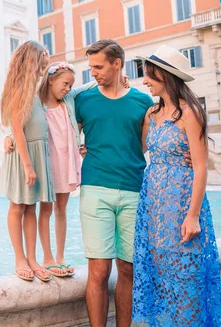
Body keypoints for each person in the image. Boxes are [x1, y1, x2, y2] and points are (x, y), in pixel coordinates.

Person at [133, 45, 221, 326]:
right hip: (154, 205)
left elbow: (200, 166)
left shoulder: (191, 113)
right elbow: (141, 150)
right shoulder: (151, 114)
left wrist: (193, 215)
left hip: (183, 204)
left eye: (149, 75)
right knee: (160, 273)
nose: (145, 81)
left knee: (186, 275)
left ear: (165, 75)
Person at [76, 39, 153, 327]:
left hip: (134, 189)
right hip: (95, 189)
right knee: (98, 270)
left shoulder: (143, 101)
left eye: (98, 66)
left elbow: (145, 145)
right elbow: (56, 123)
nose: (93, 72)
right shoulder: (83, 99)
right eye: (90, 67)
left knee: (129, 268)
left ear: (117, 63)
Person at [5, 62, 97, 277]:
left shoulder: (69, 102)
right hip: (45, 162)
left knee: (61, 209)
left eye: (70, 85)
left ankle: (60, 256)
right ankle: (47, 257)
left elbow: (88, 87)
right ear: (50, 80)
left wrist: (120, 80)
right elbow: (23, 126)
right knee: (45, 210)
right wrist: (9, 137)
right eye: (64, 83)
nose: (67, 88)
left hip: (66, 162)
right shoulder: (37, 104)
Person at [0, 41, 53, 282]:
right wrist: (28, 165)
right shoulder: (20, 89)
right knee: (17, 206)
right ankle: (19, 259)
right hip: (24, 156)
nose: (47, 57)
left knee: (31, 206)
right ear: (34, 59)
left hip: (35, 153)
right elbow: (18, 130)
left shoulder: (35, 90)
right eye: (43, 55)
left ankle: (32, 258)